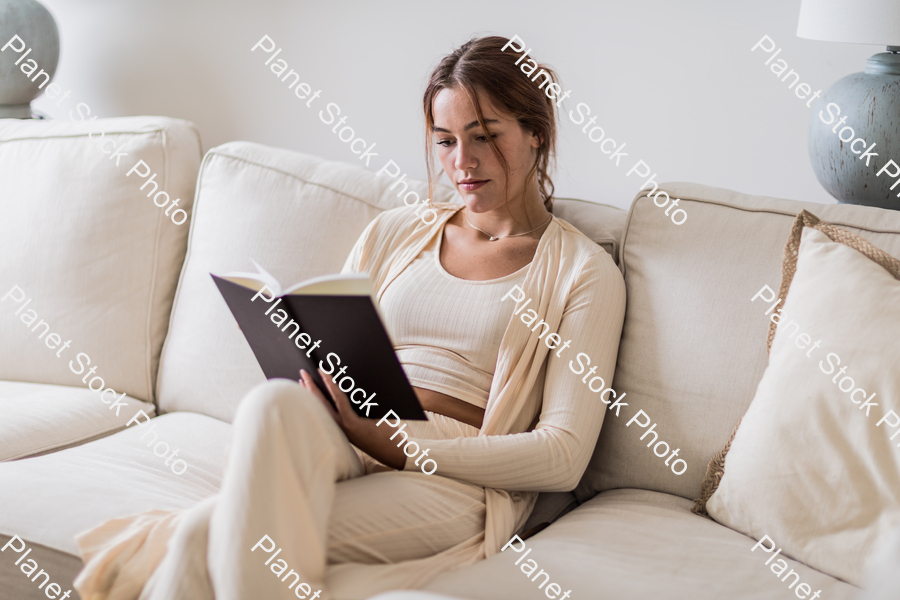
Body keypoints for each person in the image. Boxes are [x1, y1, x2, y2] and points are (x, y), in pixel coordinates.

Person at [73, 35, 626, 600]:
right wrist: (318, 380)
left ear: (537, 132)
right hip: (348, 431)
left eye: (484, 137)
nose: (462, 162)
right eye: (445, 141)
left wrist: (398, 444)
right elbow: (335, 341)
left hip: (454, 476)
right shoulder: (396, 232)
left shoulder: (582, 273)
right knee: (272, 400)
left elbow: (561, 457)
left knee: (196, 537)